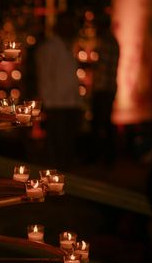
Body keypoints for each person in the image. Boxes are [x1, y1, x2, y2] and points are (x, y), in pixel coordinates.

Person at [35, 11, 83, 170]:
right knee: (56, 143)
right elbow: (44, 76)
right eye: (67, 25)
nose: (71, 28)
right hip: (57, 104)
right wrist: (47, 102)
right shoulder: (49, 48)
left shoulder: (68, 47)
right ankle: (54, 176)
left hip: (70, 103)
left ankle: (65, 176)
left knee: (67, 143)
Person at [90, 12, 120, 167]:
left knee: (100, 124)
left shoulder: (107, 42)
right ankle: (107, 157)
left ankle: (102, 157)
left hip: (104, 89)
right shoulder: (111, 41)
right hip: (107, 88)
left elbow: (102, 67)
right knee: (104, 123)